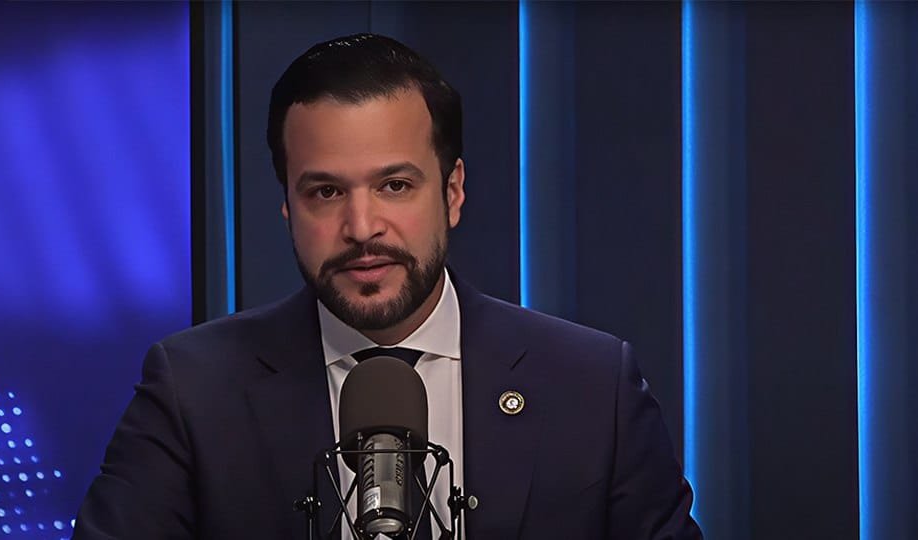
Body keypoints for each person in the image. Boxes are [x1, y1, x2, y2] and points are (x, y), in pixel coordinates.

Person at [74, 33, 702, 540]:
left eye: (395, 186)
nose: (362, 227)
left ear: (452, 192)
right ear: (288, 207)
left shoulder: (591, 386)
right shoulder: (193, 391)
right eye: (326, 192)